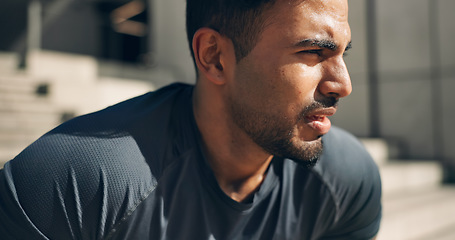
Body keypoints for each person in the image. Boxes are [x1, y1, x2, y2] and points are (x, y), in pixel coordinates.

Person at [0, 0, 381, 239]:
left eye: (343, 53)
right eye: (314, 51)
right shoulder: (71, 184)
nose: (343, 85)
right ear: (214, 56)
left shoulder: (346, 180)